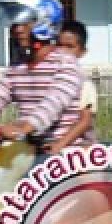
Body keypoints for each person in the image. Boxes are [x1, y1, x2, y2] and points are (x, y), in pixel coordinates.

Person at [0, 0, 81, 148]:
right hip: (29, 148)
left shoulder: (66, 64)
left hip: (63, 154)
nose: (18, 29)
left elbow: (52, 105)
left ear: (45, 21)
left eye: (26, 22)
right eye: (15, 23)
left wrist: (24, 126)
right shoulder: (18, 66)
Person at [45, 19, 99, 153]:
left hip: (75, 151)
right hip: (47, 147)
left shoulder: (84, 85)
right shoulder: (47, 81)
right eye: (59, 45)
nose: (63, 51)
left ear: (82, 52)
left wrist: (58, 146)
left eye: (69, 46)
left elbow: (84, 121)